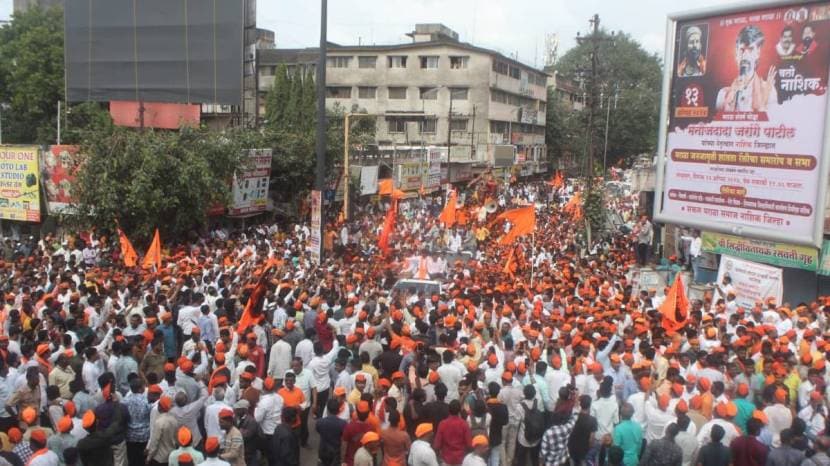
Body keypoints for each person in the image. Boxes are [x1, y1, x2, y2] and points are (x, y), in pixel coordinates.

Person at [716, 25, 777, 112]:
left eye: (751, 49)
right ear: (736, 53)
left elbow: (772, 123)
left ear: (758, 53)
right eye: (742, 50)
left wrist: (764, 100)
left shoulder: (769, 91)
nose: (745, 55)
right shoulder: (723, 94)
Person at [434, 400, 471, 466]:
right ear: (459, 410)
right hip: (460, 459)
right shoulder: (464, 424)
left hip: (446, 459)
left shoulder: (442, 424)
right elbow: (469, 444)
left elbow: (437, 444)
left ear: (449, 410)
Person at [316, 398, 347, 466]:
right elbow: (343, 439)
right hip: (336, 452)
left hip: (323, 451)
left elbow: (318, 431)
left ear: (327, 410)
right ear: (338, 410)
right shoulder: (343, 423)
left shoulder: (320, 422)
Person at [568, 395, 597, 466]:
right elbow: (591, 439)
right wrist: (590, 448)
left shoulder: (573, 416)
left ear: (580, 404)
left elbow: (569, 431)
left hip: (572, 447)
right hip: (584, 449)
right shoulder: (592, 420)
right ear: (590, 405)